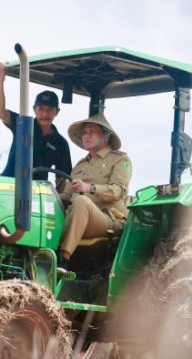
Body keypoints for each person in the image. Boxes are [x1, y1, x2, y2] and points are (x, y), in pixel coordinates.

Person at [57, 113, 132, 269]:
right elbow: (66, 196)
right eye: (84, 133)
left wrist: (90, 188)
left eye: (92, 132)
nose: (86, 136)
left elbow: (118, 191)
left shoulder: (120, 160)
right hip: (76, 217)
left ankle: (63, 260)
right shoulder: (79, 166)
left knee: (81, 201)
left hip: (107, 219)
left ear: (106, 135)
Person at [0, 62, 72, 189]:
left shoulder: (61, 143)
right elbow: (1, 112)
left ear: (57, 112)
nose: (45, 113)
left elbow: (61, 178)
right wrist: (0, 81)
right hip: (8, 185)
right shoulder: (23, 124)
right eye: (41, 109)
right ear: (34, 109)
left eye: (50, 109)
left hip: (37, 192)